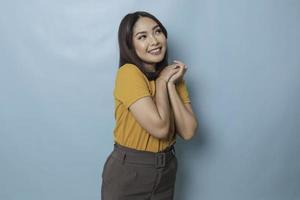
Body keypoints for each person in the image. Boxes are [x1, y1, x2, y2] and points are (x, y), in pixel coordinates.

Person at [101, 11, 198, 200]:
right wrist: (162, 82)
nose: (154, 41)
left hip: (167, 169)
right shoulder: (128, 73)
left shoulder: (172, 77)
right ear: (130, 45)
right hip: (130, 172)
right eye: (142, 37)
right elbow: (161, 128)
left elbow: (188, 131)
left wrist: (170, 84)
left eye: (157, 32)